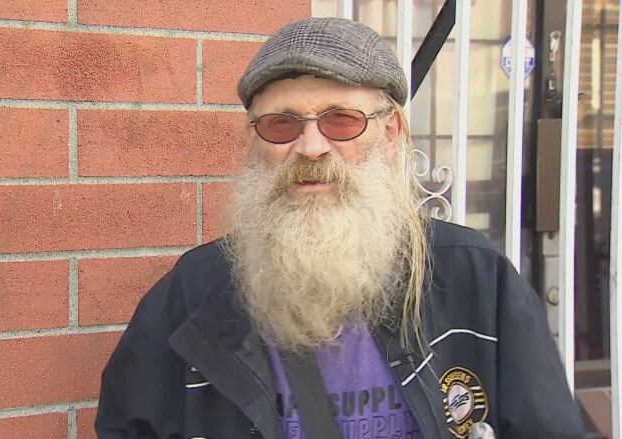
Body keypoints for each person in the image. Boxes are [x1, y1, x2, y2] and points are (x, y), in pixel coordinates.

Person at [94, 17, 585, 439]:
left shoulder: (478, 280)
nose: (310, 147)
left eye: (342, 122)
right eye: (281, 126)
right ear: (256, 142)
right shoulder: (193, 294)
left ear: (390, 132)